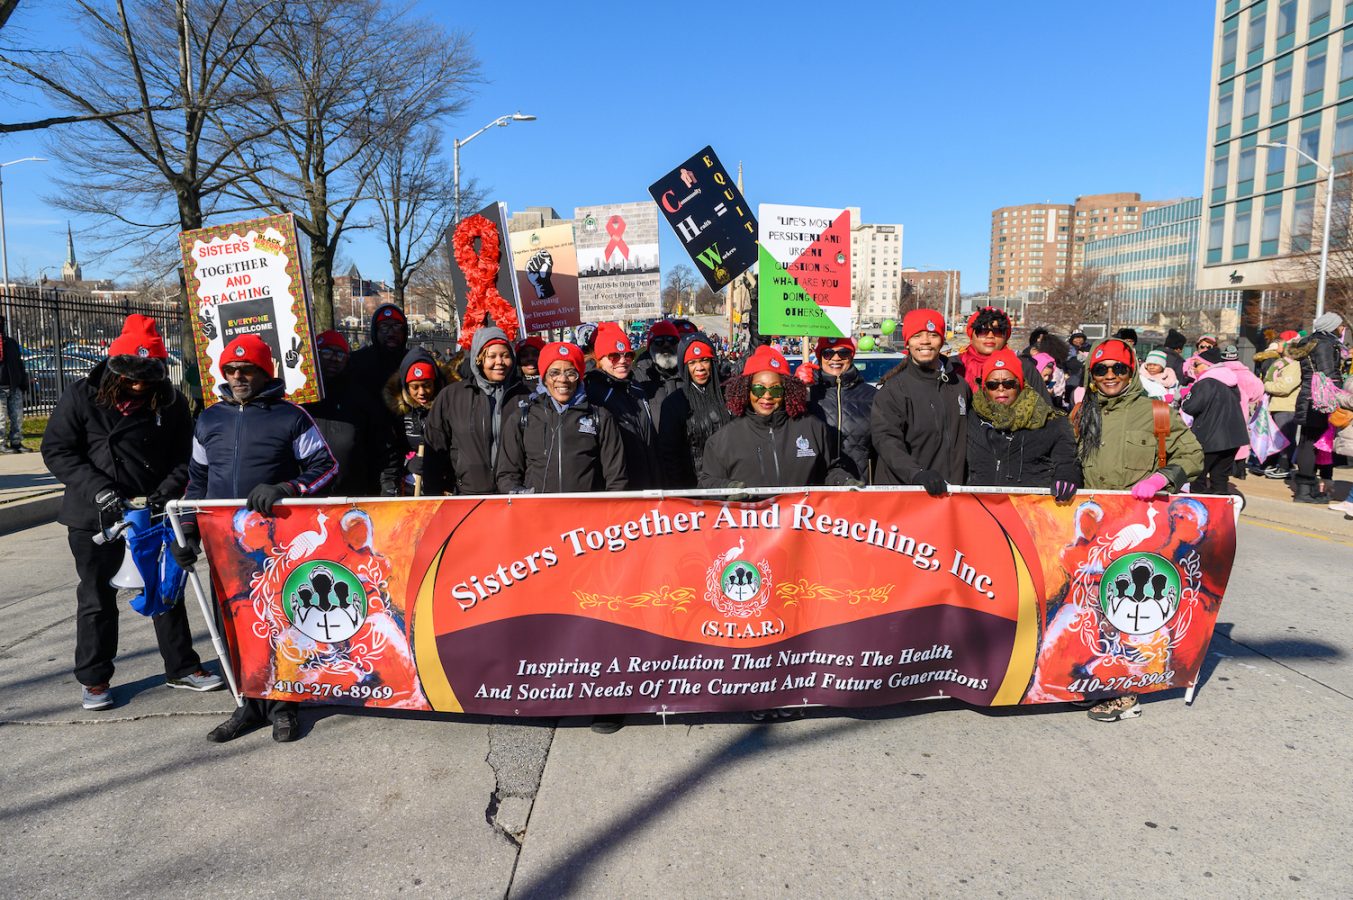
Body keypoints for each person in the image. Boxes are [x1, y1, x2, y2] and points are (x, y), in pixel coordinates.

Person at [42, 314, 223, 712]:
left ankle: (181, 666)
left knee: (166, 590)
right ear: (115, 369)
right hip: (95, 515)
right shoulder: (81, 396)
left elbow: (188, 458)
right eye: (131, 377)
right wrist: (99, 490)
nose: (139, 386)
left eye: (147, 377)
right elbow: (57, 450)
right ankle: (94, 678)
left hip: (154, 512)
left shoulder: (171, 402)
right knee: (96, 598)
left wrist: (167, 491)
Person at [172, 333, 338, 742]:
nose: (238, 376)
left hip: (276, 541)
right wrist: (188, 531)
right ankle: (247, 702)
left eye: (247, 369)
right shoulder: (209, 419)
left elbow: (326, 466)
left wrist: (286, 488)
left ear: (264, 372)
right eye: (230, 369)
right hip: (223, 542)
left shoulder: (292, 416)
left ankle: (284, 705)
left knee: (278, 621)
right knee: (233, 621)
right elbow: (197, 480)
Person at [1071, 338, 1202, 723]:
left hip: (1140, 526)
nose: (1110, 375)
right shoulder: (1081, 413)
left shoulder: (1157, 411)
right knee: (1093, 608)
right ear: (1091, 374)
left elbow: (1192, 454)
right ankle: (1100, 680)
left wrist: (1163, 478)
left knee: (1128, 609)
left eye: (1119, 368)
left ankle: (1126, 695)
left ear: (1132, 372)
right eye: (1101, 369)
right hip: (1096, 526)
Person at [699, 344, 851, 489]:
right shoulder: (723, 439)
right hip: (749, 508)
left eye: (775, 390)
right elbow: (707, 482)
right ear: (746, 390)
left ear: (787, 390)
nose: (767, 396)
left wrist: (843, 481)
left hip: (801, 508)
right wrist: (728, 489)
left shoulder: (812, 427)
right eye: (759, 389)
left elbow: (829, 471)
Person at [496, 341, 627, 493]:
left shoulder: (601, 418)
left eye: (571, 373)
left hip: (586, 508)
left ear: (579, 378)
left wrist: (606, 506)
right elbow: (507, 475)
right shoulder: (522, 418)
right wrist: (522, 496)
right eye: (554, 372)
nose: (562, 379)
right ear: (544, 378)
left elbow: (616, 479)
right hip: (537, 507)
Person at [871, 309, 969, 496]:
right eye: (917, 336)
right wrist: (916, 474)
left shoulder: (959, 386)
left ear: (942, 340)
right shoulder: (893, 390)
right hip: (908, 494)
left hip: (951, 496)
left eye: (933, 335)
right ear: (907, 343)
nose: (925, 341)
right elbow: (886, 440)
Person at [424, 326, 525, 495]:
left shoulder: (526, 396)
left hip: (515, 494)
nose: (499, 362)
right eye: (491, 356)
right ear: (479, 359)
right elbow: (435, 448)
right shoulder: (452, 396)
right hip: (468, 494)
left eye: (505, 355)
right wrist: (433, 493)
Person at [965, 348, 1080, 497]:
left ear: (1020, 384)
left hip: (1028, 506)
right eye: (993, 385)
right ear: (985, 388)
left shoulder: (1049, 420)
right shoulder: (973, 417)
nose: (1001, 389)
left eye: (1009, 384)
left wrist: (1066, 476)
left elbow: (1067, 460)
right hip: (981, 505)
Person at [302, 330, 382, 496]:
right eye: (326, 352)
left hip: (350, 493)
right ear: (315, 355)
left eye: (340, 355)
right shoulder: (301, 398)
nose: (333, 359)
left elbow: (377, 444)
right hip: (308, 492)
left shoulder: (360, 396)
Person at [583, 322, 662, 489]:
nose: (622, 361)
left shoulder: (636, 388)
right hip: (621, 488)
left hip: (649, 483)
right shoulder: (593, 394)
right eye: (614, 356)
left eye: (628, 355)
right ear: (599, 359)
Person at [656, 332, 730, 489]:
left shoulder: (728, 395)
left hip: (730, 484)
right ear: (685, 367)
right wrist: (682, 493)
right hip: (694, 488)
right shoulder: (674, 403)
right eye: (692, 362)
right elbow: (670, 455)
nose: (699, 368)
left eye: (704, 360)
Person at [1288, 313, 1348, 503]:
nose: (1342, 329)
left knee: (1308, 441)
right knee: (1311, 443)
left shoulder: (1310, 342)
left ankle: (1308, 488)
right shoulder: (1325, 344)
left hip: (1309, 396)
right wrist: (1341, 394)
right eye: (1340, 325)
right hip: (1320, 398)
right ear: (1332, 326)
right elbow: (1328, 372)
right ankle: (1305, 491)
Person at [381, 347, 454, 496]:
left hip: (441, 488)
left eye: (427, 385)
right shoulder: (396, 412)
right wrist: (408, 463)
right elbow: (390, 454)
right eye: (415, 387)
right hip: (408, 488)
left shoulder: (449, 407)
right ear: (406, 387)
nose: (421, 392)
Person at [808, 336, 877, 482]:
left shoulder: (872, 395)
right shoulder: (809, 393)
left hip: (860, 483)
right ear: (820, 357)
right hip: (816, 486)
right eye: (828, 353)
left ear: (851, 356)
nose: (836, 358)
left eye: (844, 352)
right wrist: (797, 387)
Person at [1181, 348, 1249, 496]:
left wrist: (1185, 396)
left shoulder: (1206, 382)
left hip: (1210, 438)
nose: (1194, 368)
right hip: (1233, 438)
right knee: (1220, 476)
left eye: (1196, 364)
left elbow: (1190, 407)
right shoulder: (1230, 381)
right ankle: (1219, 504)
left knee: (1197, 475)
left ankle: (1198, 505)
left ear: (1208, 365)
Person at [956, 307, 1044, 398]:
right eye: (982, 330)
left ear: (1006, 336)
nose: (990, 336)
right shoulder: (954, 366)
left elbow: (1043, 404)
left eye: (998, 330)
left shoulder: (1024, 367)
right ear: (971, 334)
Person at [347, 303, 409, 409]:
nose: (391, 333)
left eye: (396, 326)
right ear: (375, 331)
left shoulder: (412, 361)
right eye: (384, 326)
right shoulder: (357, 361)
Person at [1258, 336, 1301, 478]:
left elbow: (1284, 387)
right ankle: (1274, 463)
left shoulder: (1294, 366)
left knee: (1285, 438)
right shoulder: (1281, 363)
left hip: (1286, 406)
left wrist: (1266, 385)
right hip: (1276, 405)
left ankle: (1285, 466)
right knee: (1275, 438)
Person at [634, 319, 683, 408]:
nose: (666, 345)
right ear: (649, 347)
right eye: (659, 341)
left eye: (672, 340)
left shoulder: (689, 373)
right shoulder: (638, 378)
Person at [0, 315, 29, 452]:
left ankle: (16, 442)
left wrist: (23, 381)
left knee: (17, 416)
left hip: (14, 386)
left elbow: (19, 363)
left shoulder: (11, 343)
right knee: (1, 418)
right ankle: (1, 443)